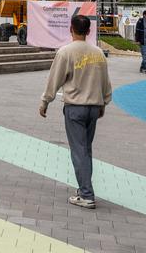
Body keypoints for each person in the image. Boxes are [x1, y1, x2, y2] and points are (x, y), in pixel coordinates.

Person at [39, 13, 112, 210]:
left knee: (78, 151)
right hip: (94, 107)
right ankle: (84, 189)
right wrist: (104, 102)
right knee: (86, 149)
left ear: (71, 29)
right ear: (89, 31)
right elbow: (105, 81)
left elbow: (54, 79)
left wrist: (45, 101)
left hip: (75, 107)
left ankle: (87, 194)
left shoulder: (66, 52)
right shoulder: (98, 53)